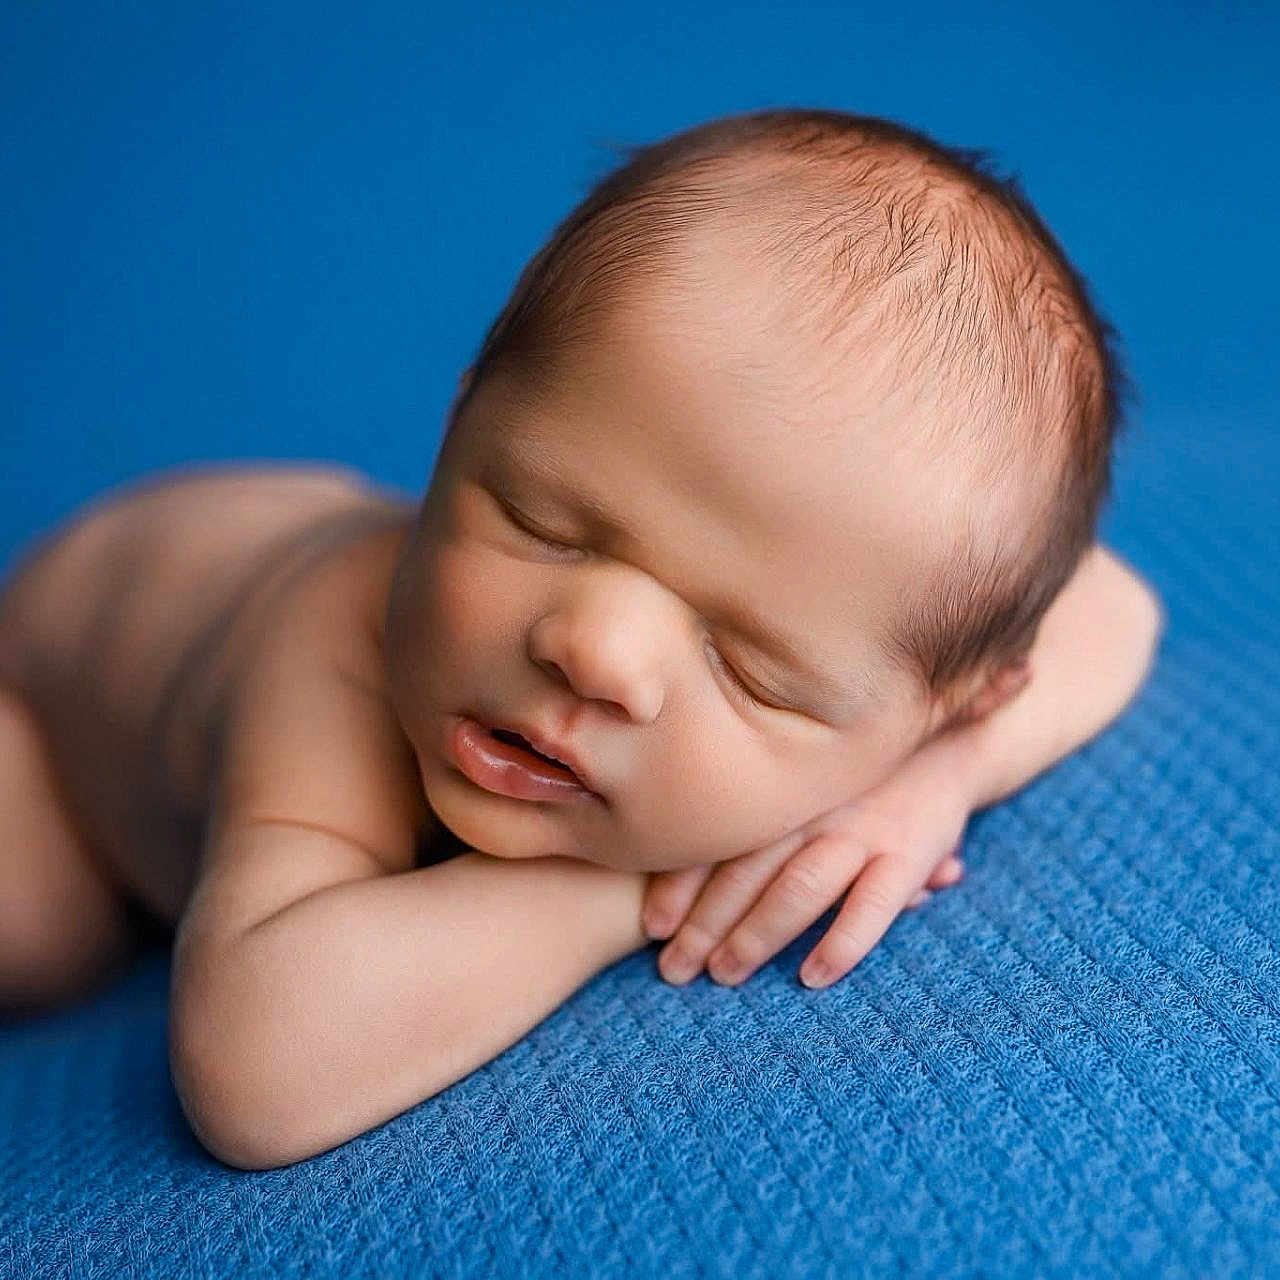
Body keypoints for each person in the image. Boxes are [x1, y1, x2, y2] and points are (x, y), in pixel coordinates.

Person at [0, 108, 1163, 1168]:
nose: (593, 647)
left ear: (964, 694)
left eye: (747, 664)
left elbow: (1110, 602)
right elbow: (256, 1067)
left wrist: (931, 775)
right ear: (460, 421)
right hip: (49, 723)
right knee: (41, 931)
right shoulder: (333, 643)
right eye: (539, 522)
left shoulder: (930, 678)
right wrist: (652, 882)